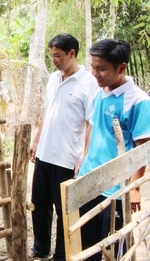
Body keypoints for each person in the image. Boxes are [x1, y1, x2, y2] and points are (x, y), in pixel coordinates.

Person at [78, 39, 150, 260]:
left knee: (113, 247)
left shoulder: (137, 100)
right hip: (89, 179)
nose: (96, 74)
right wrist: (83, 162)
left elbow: (143, 147)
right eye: (93, 68)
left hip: (116, 188)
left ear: (121, 67)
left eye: (102, 69)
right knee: (87, 245)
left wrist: (135, 186)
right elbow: (93, 128)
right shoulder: (100, 92)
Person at [28, 33, 98, 260]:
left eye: (58, 56)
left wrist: (83, 157)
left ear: (72, 53)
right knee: (39, 204)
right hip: (45, 153)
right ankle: (40, 248)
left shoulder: (89, 83)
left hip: (67, 157)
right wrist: (37, 141)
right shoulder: (53, 79)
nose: (54, 60)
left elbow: (90, 123)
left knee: (64, 209)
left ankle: (62, 254)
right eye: (52, 56)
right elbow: (47, 111)